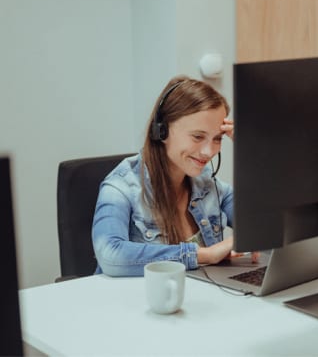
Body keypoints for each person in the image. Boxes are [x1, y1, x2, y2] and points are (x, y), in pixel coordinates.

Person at [92, 75, 245, 277]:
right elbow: (110, 254)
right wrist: (205, 255)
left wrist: (251, 153)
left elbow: (265, 224)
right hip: (136, 303)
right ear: (162, 131)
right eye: (198, 137)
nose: (208, 151)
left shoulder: (207, 183)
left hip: (199, 299)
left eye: (217, 139)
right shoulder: (121, 186)